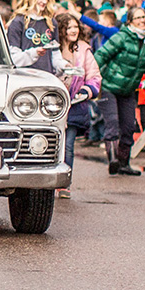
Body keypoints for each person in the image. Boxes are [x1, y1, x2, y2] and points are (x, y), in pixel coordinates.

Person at [93, 4, 145, 179]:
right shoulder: (121, 37)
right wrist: (93, 77)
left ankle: (124, 163)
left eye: (144, 17)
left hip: (128, 89)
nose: (142, 21)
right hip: (109, 87)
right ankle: (113, 160)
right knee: (112, 123)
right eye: (138, 18)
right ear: (130, 21)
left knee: (129, 126)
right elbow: (101, 55)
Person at [50, 11, 100, 196]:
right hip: (52, 106)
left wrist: (87, 91)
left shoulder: (84, 49)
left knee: (69, 145)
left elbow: (94, 76)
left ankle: (64, 183)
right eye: (69, 27)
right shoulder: (52, 49)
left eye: (76, 27)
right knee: (52, 144)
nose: (74, 30)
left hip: (75, 105)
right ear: (61, 29)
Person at [7, 0, 55, 71]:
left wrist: (64, 65)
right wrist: (34, 53)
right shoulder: (18, 22)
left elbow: (55, 55)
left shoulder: (51, 22)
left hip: (47, 77)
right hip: (25, 77)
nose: (44, 1)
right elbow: (14, 59)